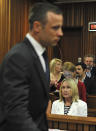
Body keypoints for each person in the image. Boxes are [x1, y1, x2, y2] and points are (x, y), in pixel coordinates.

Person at [0, 2, 63, 131]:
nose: (60, 33)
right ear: (37, 26)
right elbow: (16, 111)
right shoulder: (18, 57)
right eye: (55, 28)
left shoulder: (42, 54)